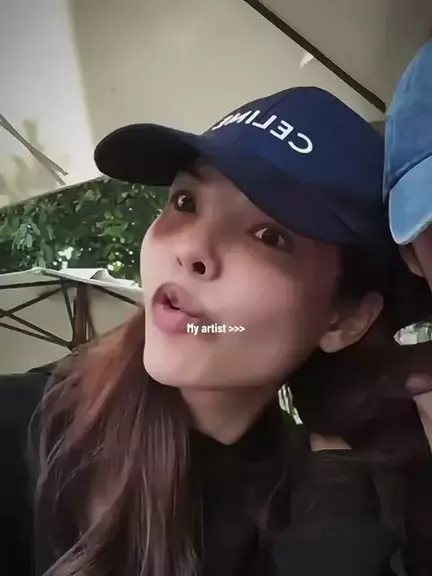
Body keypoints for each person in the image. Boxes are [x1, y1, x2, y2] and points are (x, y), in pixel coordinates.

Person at [0, 87, 427, 576]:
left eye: (270, 236)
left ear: (343, 321)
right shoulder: (19, 434)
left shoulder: (331, 517)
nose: (192, 249)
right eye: (185, 201)